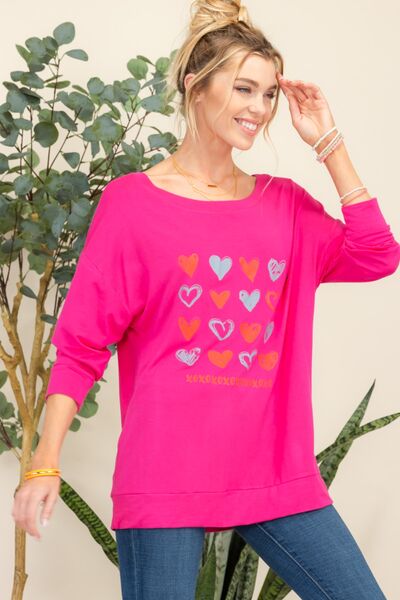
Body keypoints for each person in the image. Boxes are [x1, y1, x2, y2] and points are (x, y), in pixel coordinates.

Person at [12, 1, 399, 598]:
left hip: (274, 473)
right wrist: (44, 461)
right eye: (244, 88)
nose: (259, 108)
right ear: (195, 85)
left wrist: (329, 143)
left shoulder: (284, 207)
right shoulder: (132, 204)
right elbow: (83, 344)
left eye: (268, 94)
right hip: (163, 477)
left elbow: (377, 255)